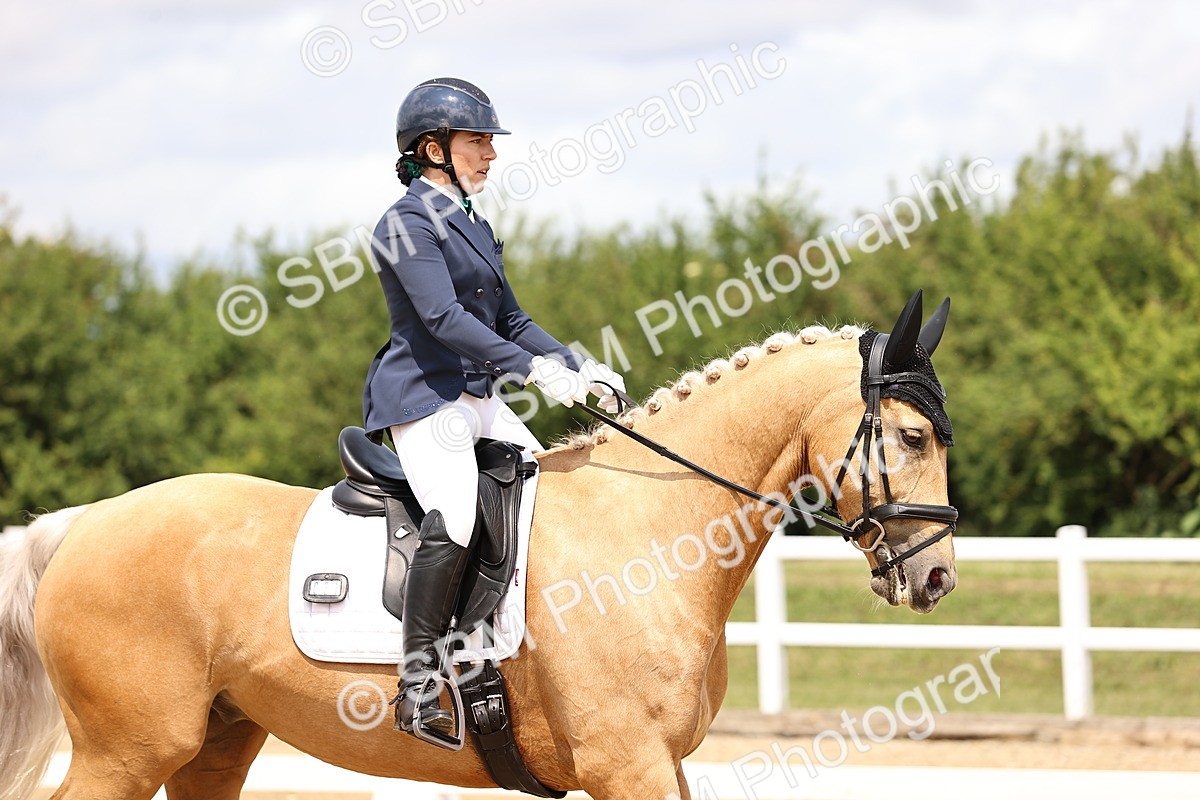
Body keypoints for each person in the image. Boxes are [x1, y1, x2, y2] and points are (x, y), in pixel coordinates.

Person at [361, 77, 626, 741]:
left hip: (477, 397)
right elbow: (443, 317)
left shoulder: (471, 221)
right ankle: (417, 684)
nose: (491, 153)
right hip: (425, 399)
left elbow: (509, 316)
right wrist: (531, 370)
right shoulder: (405, 222)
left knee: (551, 496)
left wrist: (575, 364)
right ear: (433, 147)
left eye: (488, 140)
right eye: (477, 140)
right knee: (452, 515)